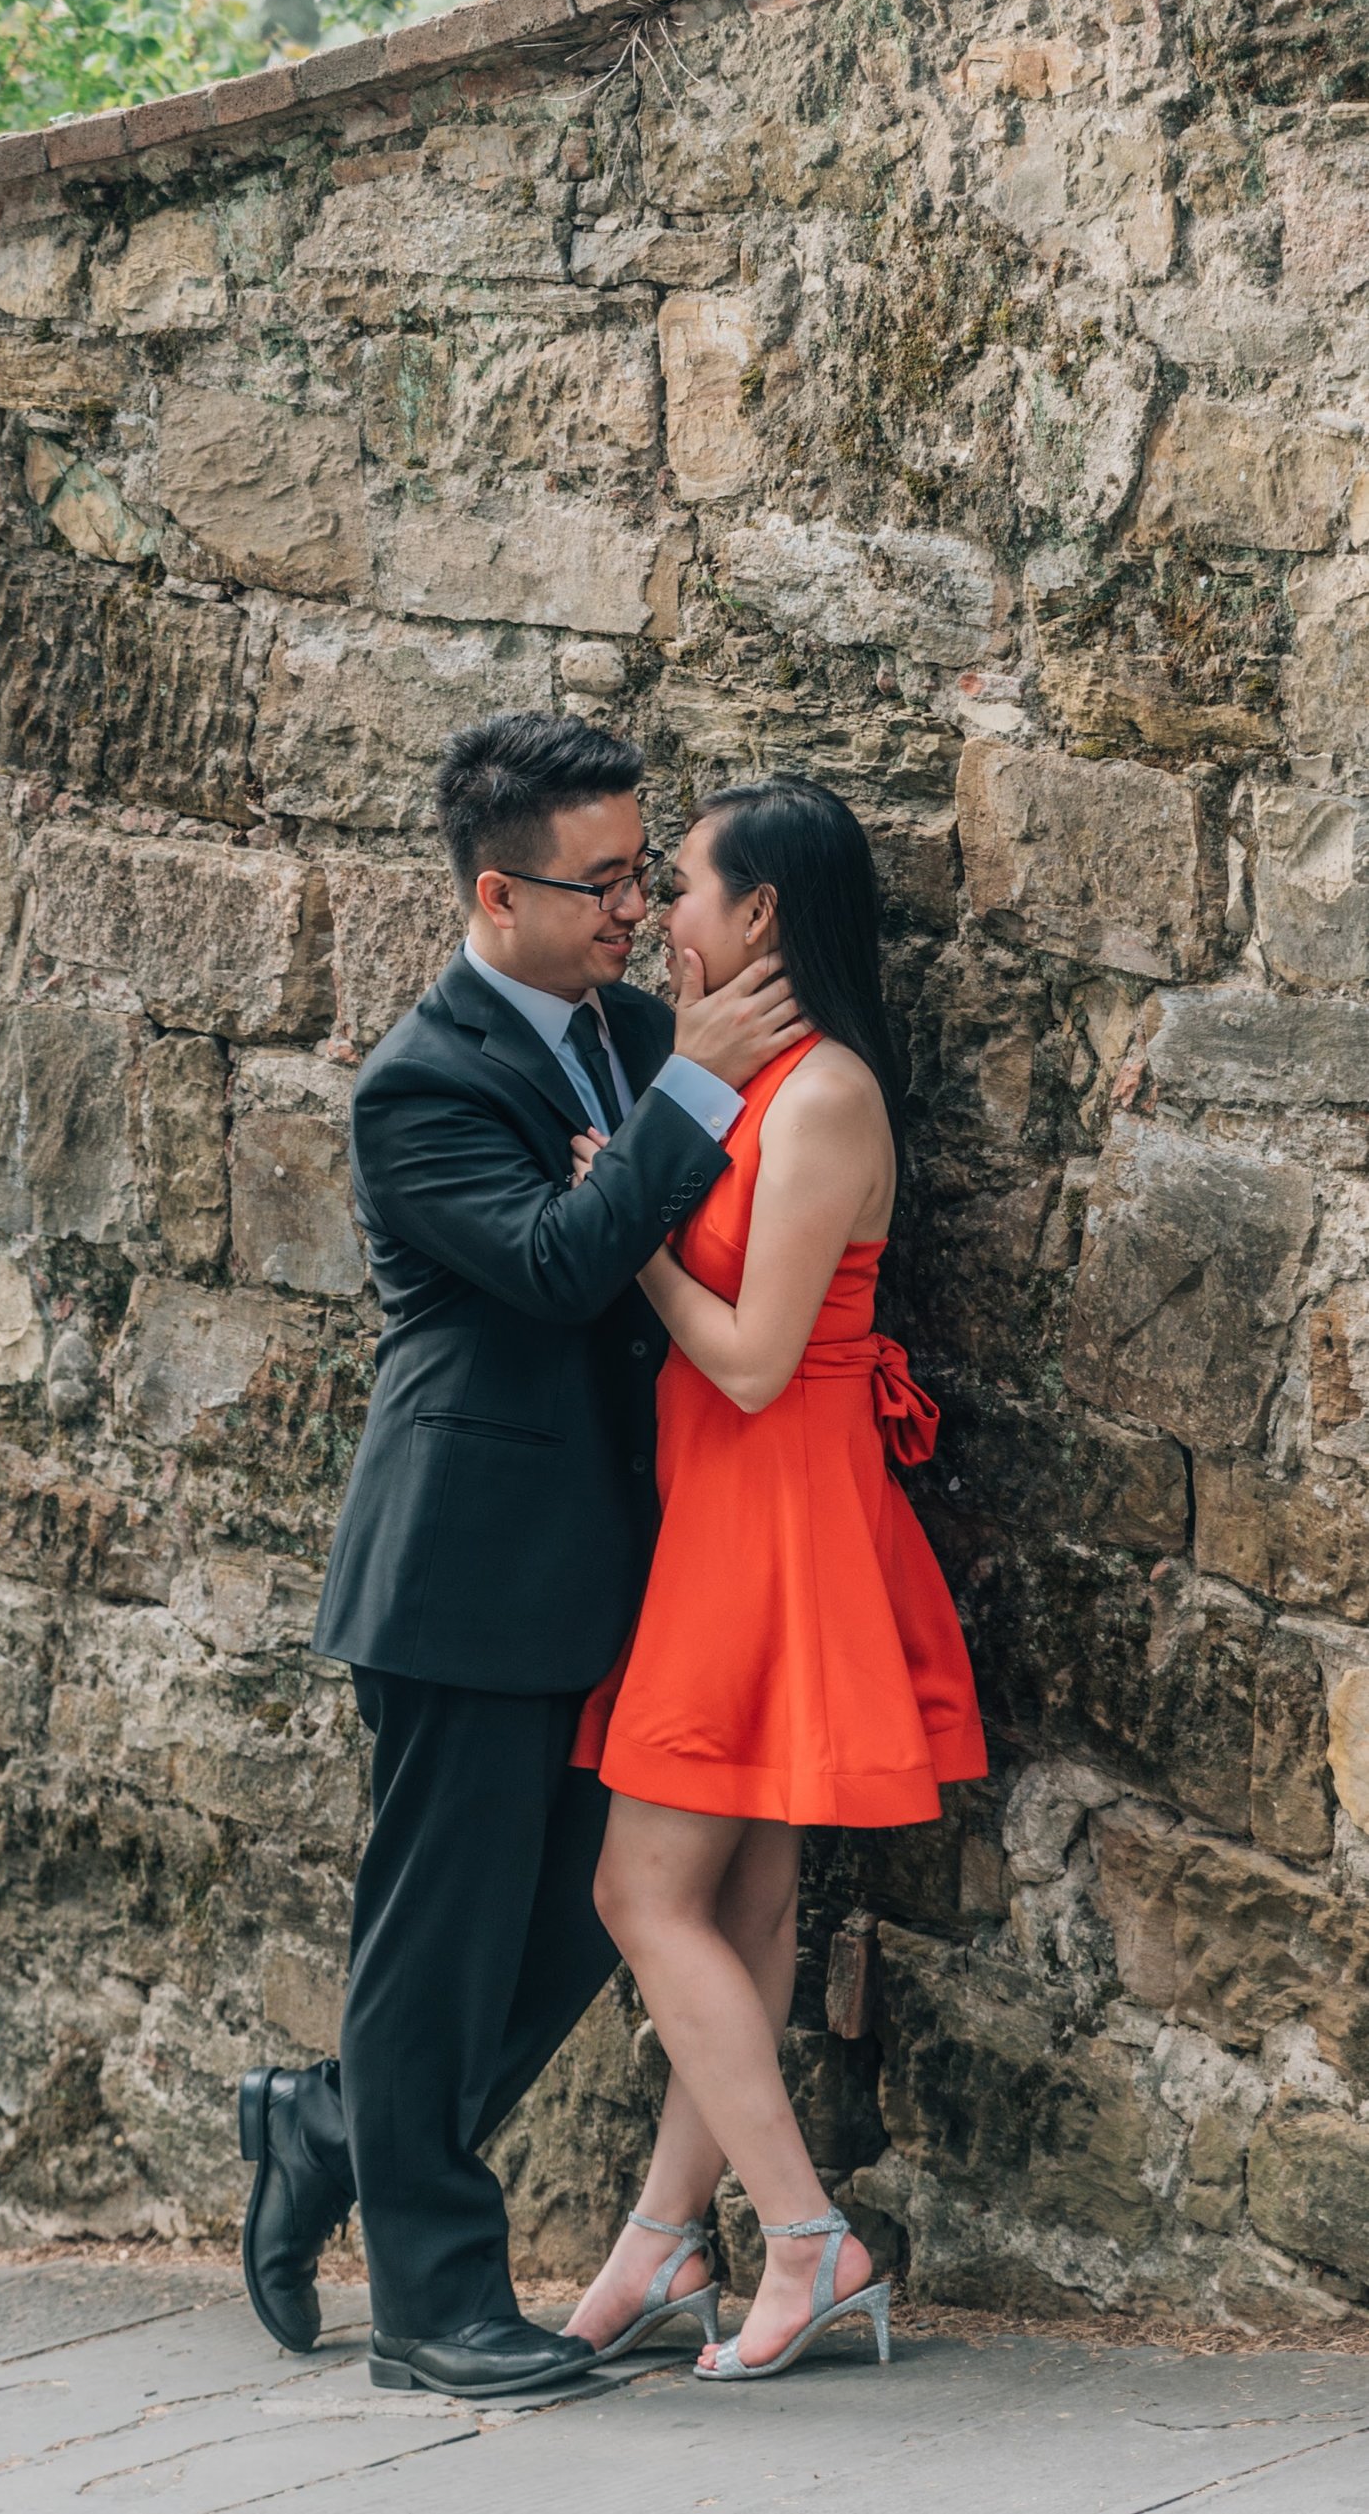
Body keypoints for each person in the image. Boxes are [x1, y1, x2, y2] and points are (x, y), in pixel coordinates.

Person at [237, 713, 808, 2402]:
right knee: (440, 1937)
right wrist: (698, 1082)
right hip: (465, 1568)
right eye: (605, 881)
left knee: (584, 1919)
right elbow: (564, 1265)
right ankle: (433, 2305)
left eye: (647, 872)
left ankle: (329, 2119)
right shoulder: (421, 1082)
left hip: (629, 1567)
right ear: (499, 893)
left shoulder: (637, 1028)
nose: (637, 907)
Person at [560, 778, 985, 2384]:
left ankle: (809, 2235)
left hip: (776, 1515)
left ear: (760, 918)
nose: (660, 913)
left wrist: (636, 1225)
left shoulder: (823, 1101)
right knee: (739, 1904)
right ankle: (669, 2239)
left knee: (636, 1889)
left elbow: (747, 1360)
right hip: (726, 1513)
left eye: (682, 888)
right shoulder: (748, 1075)